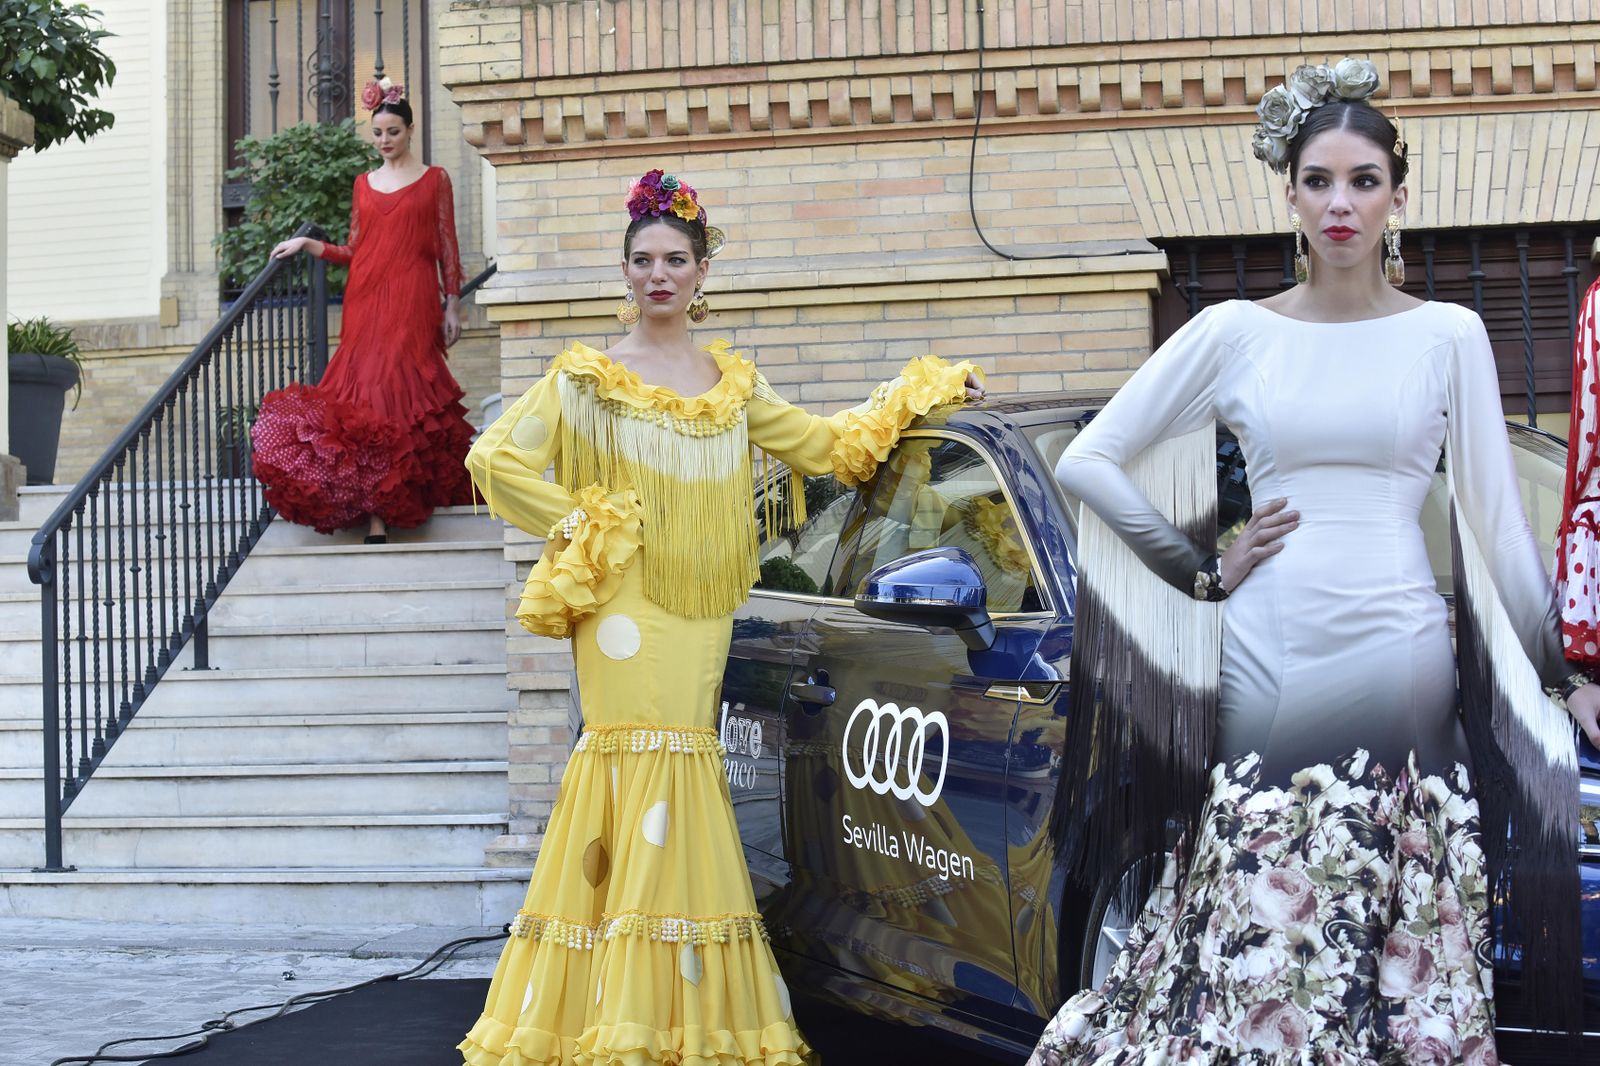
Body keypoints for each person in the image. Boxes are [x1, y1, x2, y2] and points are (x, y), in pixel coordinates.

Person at [1030, 58, 1600, 1064]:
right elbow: (1090, 461)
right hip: (1272, 659)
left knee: (1401, 960)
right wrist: (1200, 566)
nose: (1341, 203)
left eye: (1363, 180)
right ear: (1288, 194)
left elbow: (1501, 528)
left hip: (1406, 659)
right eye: (1319, 180)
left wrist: (1563, 673)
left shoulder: (1447, 335)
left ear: (1397, 197)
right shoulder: (1232, 332)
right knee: (1268, 950)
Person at [457, 169, 984, 1066]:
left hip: (699, 610)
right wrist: (584, 523)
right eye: (642, 261)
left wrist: (910, 400)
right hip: (622, 606)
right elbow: (495, 457)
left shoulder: (733, 385)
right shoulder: (587, 377)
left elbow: (823, 447)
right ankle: (616, 1013)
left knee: (685, 761)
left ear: (703, 274)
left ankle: (678, 1008)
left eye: (675, 259)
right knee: (635, 756)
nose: (657, 274)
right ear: (623, 274)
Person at [250, 80, 473, 542]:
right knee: (364, 396)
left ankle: (400, 496)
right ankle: (374, 511)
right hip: (365, 298)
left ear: (410, 130)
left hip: (413, 299)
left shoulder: (435, 179)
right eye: (377, 133)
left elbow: (448, 246)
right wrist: (310, 244)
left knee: (402, 389)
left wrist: (453, 302)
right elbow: (355, 248)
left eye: (393, 131)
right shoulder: (362, 184)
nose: (385, 140)